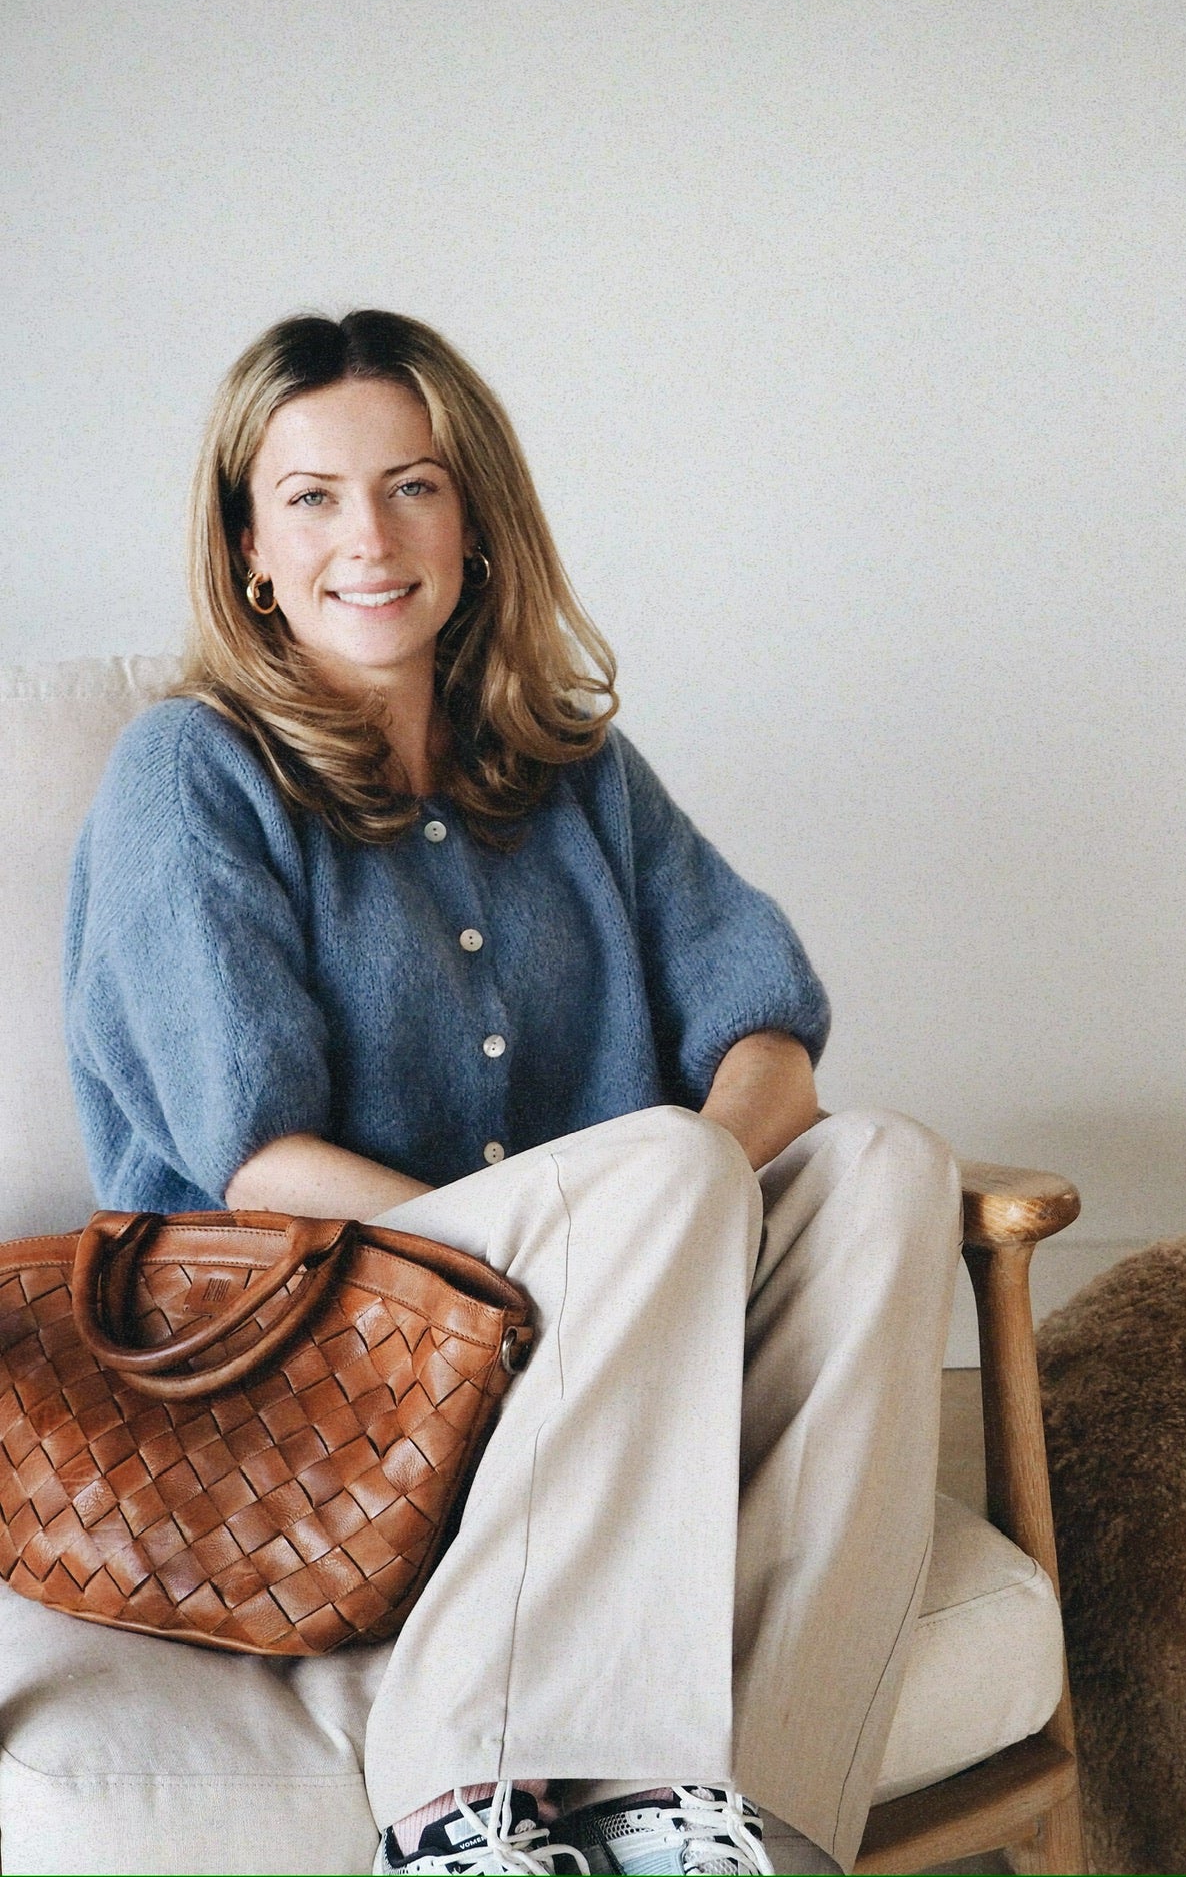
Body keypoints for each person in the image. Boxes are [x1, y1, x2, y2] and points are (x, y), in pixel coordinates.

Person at [63, 310, 959, 1877]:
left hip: (600, 1365)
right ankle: (458, 1798)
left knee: (886, 1162)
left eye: (412, 486)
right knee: (667, 1173)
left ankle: (746, 1818)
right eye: (312, 498)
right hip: (317, 1368)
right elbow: (259, 1161)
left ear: (475, 521)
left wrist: (681, 1215)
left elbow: (768, 1036)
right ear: (251, 550)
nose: (369, 538)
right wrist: (579, 1259)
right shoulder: (189, 772)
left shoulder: (572, 770)